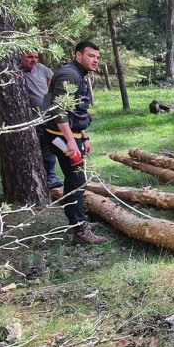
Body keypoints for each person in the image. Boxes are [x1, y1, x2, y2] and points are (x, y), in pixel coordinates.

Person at [42, 41, 107, 245]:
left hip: (71, 135)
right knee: (76, 180)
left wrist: (84, 137)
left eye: (97, 57)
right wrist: (70, 141)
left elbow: (77, 110)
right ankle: (79, 229)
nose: (95, 60)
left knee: (77, 180)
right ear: (78, 55)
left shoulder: (80, 75)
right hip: (61, 136)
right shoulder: (69, 74)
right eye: (91, 56)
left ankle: (78, 221)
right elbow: (57, 109)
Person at [17, 50, 61, 190]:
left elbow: (52, 79)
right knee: (32, 149)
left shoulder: (41, 68)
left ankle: (51, 177)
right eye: (30, 57)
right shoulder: (14, 70)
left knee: (48, 147)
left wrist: (48, 97)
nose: (34, 60)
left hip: (46, 116)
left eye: (36, 57)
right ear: (20, 57)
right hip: (29, 120)